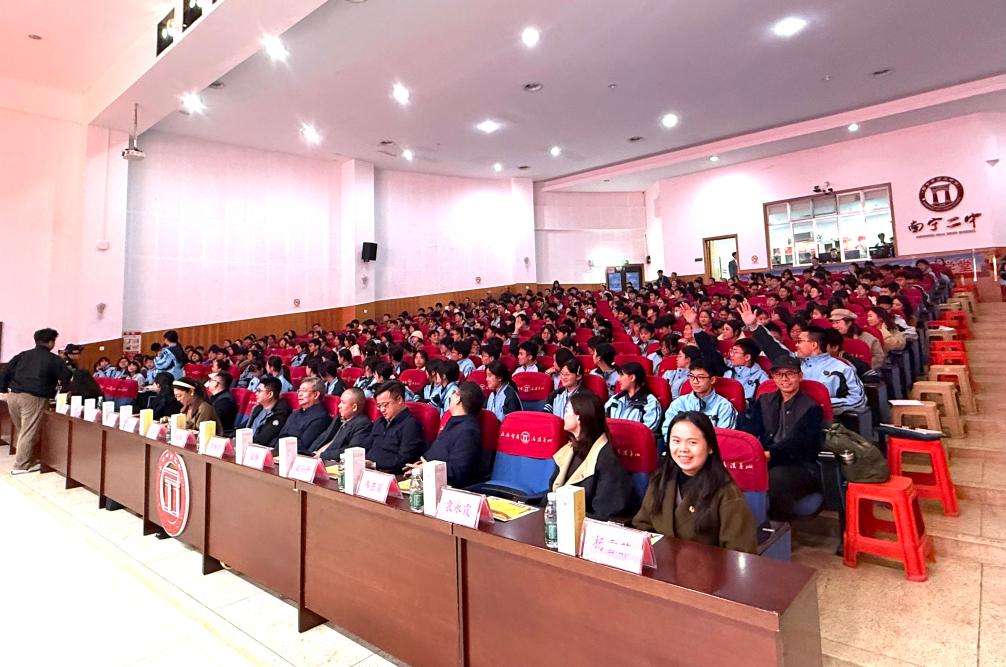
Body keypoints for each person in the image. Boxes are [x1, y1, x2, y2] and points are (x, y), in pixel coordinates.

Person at [632, 411, 757, 553]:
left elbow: (739, 553)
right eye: (676, 441)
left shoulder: (727, 493)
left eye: (692, 442)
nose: (683, 449)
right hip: (661, 562)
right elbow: (642, 525)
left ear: (710, 447)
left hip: (708, 566)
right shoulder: (661, 479)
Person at [739, 301, 866, 415]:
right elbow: (773, 347)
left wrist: (821, 403)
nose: (796, 344)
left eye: (800, 341)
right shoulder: (794, 361)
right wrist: (754, 326)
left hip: (829, 423)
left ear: (814, 345)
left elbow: (858, 400)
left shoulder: (841, 369)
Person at [745, 357, 824, 520]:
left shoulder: (812, 407)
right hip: (765, 459)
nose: (784, 379)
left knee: (774, 480)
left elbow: (802, 443)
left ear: (800, 376)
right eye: (778, 374)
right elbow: (750, 431)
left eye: (790, 373)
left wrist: (771, 454)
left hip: (800, 464)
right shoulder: (764, 401)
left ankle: (776, 528)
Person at [549, 392, 634, 520]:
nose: (563, 416)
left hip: (585, 524)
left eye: (566, 411)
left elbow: (603, 513)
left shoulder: (606, 459)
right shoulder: (569, 449)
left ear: (579, 418)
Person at [0, 328, 72, 474]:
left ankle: (30, 459)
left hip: (13, 395)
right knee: (28, 432)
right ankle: (21, 466)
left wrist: (3, 390)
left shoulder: (22, 355)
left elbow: (5, 372)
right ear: (51, 342)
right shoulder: (53, 359)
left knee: (23, 430)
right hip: (34, 397)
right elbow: (66, 377)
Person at [406, 381, 483, 487]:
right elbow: (436, 453)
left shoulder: (468, 431)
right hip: (428, 478)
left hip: (445, 487)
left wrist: (426, 468)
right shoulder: (453, 421)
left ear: (458, 399)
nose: (451, 396)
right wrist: (419, 465)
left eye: (454, 393)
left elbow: (457, 472)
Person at [661, 360, 738, 436]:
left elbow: (724, 437)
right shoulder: (678, 403)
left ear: (712, 380)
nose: (695, 381)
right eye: (691, 376)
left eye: (700, 377)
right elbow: (667, 431)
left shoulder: (724, 406)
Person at [366, 380, 425, 474]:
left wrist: (374, 465)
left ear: (399, 400)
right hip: (368, 470)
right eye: (379, 406)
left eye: (385, 405)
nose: (382, 410)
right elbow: (366, 446)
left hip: (392, 474)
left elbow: (404, 460)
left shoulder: (410, 425)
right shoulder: (380, 422)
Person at [305, 388, 372, 460]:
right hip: (316, 456)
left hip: (330, 461)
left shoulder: (363, 424)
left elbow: (351, 450)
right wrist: (309, 453)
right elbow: (323, 437)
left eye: (343, 403)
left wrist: (321, 456)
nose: (339, 406)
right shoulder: (338, 418)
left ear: (354, 407)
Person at [603, 361, 662, 439]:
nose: (618, 379)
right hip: (611, 441)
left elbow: (648, 431)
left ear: (632, 378)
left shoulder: (650, 402)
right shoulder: (615, 399)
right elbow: (602, 419)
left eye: (622, 375)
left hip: (635, 444)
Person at [276, 377, 331, 452]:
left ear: (316, 395)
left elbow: (303, 445)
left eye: (304, 391)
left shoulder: (321, 417)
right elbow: (280, 436)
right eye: (299, 391)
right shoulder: (295, 413)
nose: (300, 394)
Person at [247, 377, 291, 450]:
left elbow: (263, 439)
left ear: (270, 394)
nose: (256, 393)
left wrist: (244, 441)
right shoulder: (257, 409)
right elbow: (244, 427)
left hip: (259, 449)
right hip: (247, 445)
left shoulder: (280, 414)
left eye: (259, 391)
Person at [204, 372, 238, 437]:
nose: (209, 382)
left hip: (220, 434)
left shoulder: (225, 401)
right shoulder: (214, 397)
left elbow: (212, 418)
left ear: (216, 384)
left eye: (211, 380)